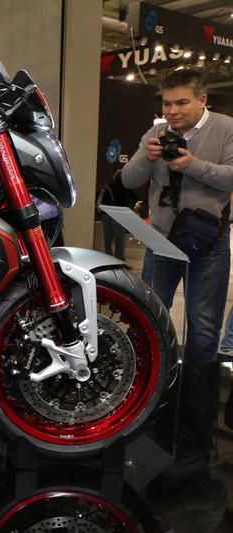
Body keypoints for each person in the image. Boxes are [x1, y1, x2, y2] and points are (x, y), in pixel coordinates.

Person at [121, 68, 233, 462]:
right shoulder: (155, 133)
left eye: (182, 102)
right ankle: (146, 394)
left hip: (209, 243)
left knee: (203, 329)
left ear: (203, 100)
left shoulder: (226, 128)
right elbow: (129, 179)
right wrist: (146, 155)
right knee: (149, 317)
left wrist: (191, 164)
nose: (173, 111)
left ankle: (197, 421)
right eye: (167, 103)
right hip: (161, 242)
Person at [96, 169, 137, 260]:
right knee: (119, 238)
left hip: (106, 213)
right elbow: (134, 198)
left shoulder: (109, 185)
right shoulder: (125, 186)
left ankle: (108, 257)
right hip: (118, 214)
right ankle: (119, 259)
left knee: (107, 238)